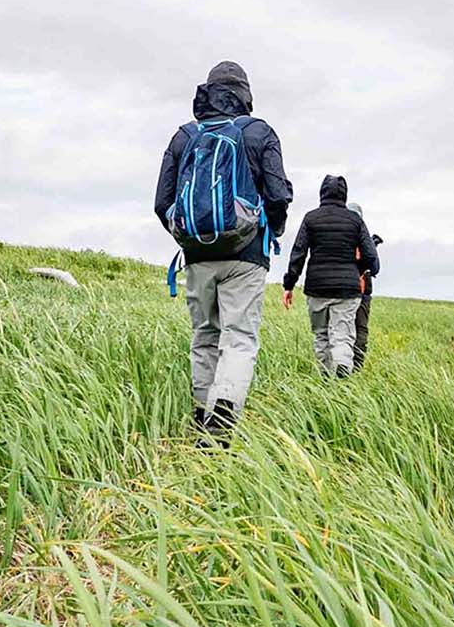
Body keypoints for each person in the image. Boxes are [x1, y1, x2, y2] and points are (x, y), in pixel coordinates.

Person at [154, 60, 291, 439]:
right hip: (247, 255)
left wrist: (190, 237)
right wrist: (271, 231)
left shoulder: (184, 136)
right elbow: (278, 194)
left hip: (197, 255)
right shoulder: (258, 132)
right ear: (245, 93)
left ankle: (203, 415)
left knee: (204, 335)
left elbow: (162, 202)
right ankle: (223, 414)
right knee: (239, 337)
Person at [281, 175, 378, 377]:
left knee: (321, 335)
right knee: (342, 335)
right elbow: (371, 257)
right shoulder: (355, 220)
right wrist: (359, 270)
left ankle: (326, 376)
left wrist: (289, 284)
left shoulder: (311, 218)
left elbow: (298, 253)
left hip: (317, 287)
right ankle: (342, 366)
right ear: (344, 194)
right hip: (347, 289)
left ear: (322, 193)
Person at [347, 201, 384, 371]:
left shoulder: (339, 234)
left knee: (340, 328)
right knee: (360, 329)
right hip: (361, 289)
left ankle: (340, 366)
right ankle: (356, 367)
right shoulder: (364, 235)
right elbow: (375, 267)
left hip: (342, 288)